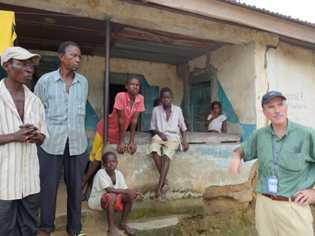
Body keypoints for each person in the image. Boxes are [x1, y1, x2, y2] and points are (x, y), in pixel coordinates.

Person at [229, 90, 315, 236]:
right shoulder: (260, 135)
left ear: (286, 107)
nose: (277, 110)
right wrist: (236, 156)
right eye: (271, 107)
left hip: (294, 207)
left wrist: (314, 192)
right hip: (264, 206)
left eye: (280, 105)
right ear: (264, 112)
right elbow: (242, 149)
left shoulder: (306, 134)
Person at [34, 41, 88, 236]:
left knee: (75, 190)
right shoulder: (45, 81)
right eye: (73, 55)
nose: (77, 59)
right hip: (50, 143)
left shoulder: (83, 82)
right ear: (61, 56)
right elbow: (36, 112)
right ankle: (46, 228)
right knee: (48, 188)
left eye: (79, 56)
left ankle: (74, 230)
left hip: (77, 143)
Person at [0, 46, 48, 235]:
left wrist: (37, 136)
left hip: (29, 181)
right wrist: (14, 136)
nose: (29, 69)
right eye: (22, 63)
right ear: (6, 65)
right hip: (4, 181)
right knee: (5, 229)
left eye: (31, 65)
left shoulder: (35, 101)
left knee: (28, 228)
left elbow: (43, 137)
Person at [82, 77, 145, 195]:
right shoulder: (121, 96)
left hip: (116, 134)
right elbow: (121, 119)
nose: (135, 86)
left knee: (99, 158)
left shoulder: (140, 99)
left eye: (137, 85)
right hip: (104, 129)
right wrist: (121, 142)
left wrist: (132, 141)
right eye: (132, 84)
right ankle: (84, 184)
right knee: (93, 159)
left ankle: (85, 185)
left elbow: (134, 121)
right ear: (126, 86)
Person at [88, 152, 142, 236]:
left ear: (117, 162)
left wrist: (134, 193)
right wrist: (127, 191)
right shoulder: (100, 173)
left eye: (113, 161)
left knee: (129, 196)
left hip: (112, 199)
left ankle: (123, 223)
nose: (111, 164)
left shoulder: (118, 173)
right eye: (108, 162)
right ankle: (111, 228)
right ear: (104, 164)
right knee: (111, 195)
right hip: (97, 201)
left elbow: (125, 189)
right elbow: (109, 189)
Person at [149, 87, 189, 199]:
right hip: (159, 135)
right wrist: (159, 133)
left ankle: (158, 187)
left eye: (168, 97)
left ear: (172, 98)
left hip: (173, 137)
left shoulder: (178, 110)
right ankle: (165, 182)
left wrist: (185, 141)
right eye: (164, 97)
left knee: (166, 156)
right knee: (154, 151)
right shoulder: (156, 110)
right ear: (161, 99)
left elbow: (183, 128)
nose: (166, 99)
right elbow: (152, 127)